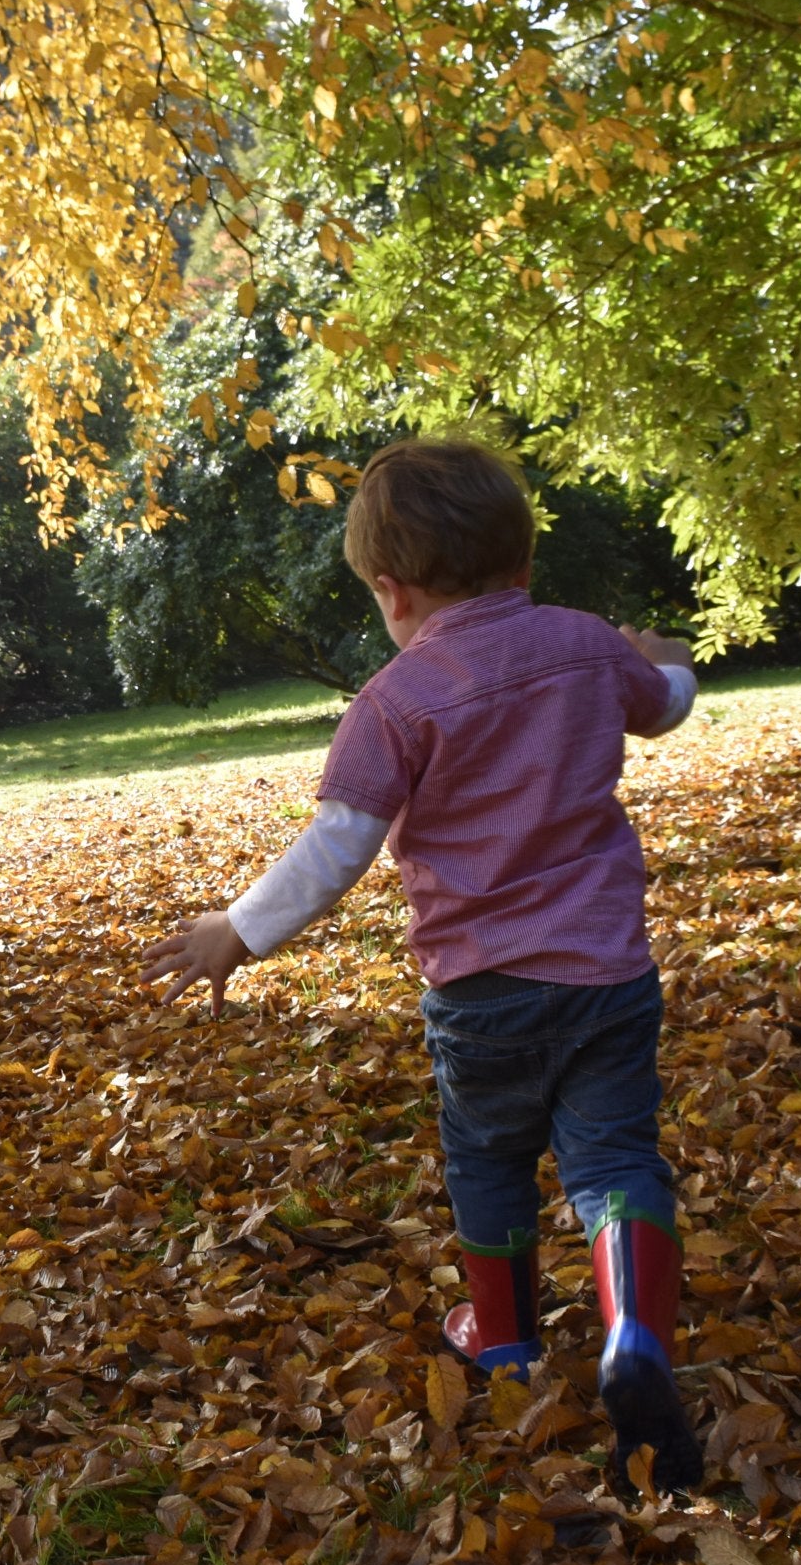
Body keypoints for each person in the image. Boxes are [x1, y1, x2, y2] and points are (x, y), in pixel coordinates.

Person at [139, 439, 706, 1493]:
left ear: (392, 593)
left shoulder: (395, 703)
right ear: (522, 562)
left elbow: (339, 846)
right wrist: (665, 657)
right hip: (605, 979)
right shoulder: (586, 647)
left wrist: (238, 931)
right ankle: (635, 1334)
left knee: (489, 1163)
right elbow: (667, 703)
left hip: (481, 994)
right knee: (616, 1161)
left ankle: (502, 1340)